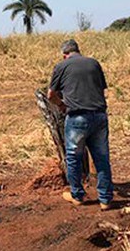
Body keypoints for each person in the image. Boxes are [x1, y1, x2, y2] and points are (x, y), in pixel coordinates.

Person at [48, 39, 113, 210]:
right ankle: (105, 199)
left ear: (64, 55)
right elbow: (101, 88)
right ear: (78, 51)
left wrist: (62, 105)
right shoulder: (94, 63)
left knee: (73, 158)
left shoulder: (61, 67)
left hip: (77, 117)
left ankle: (77, 195)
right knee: (102, 158)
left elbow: (50, 95)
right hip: (99, 116)